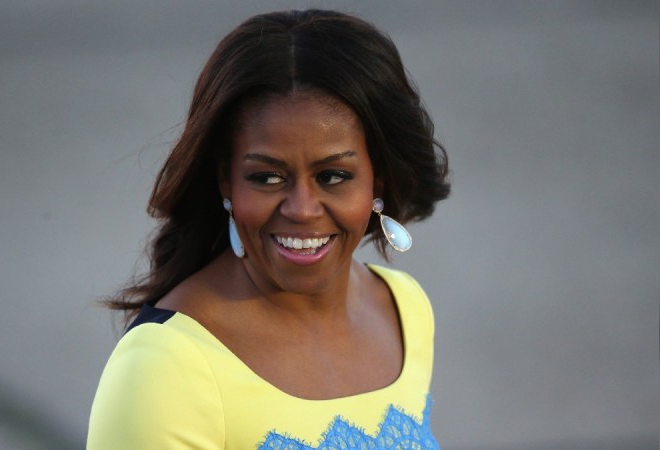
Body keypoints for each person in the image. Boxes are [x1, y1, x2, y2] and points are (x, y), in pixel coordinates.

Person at [88, 9, 450, 449]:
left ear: (379, 180)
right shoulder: (163, 368)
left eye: (333, 176)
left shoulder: (404, 310)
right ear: (226, 181)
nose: (302, 209)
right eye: (267, 177)